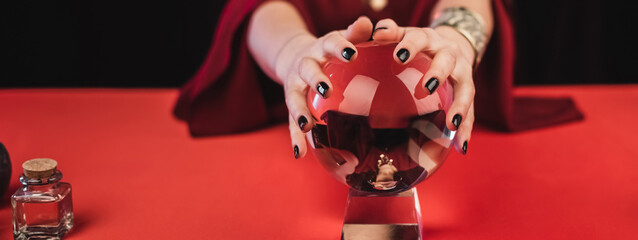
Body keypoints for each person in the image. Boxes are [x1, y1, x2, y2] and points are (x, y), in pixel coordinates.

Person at [174, 0, 583, 157]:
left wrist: (457, 39)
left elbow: (469, 4)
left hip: (426, 132)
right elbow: (262, 9)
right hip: (326, 132)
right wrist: (292, 53)